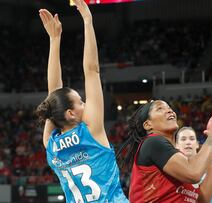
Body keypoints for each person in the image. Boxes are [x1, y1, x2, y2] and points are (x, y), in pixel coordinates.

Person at [35, 0, 128, 202]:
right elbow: (92, 71)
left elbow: (54, 94)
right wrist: (87, 21)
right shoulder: (91, 130)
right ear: (71, 113)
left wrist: (54, 39)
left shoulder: (51, 146)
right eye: (80, 102)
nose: (85, 104)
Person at [118, 96, 212, 202]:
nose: (170, 111)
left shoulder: (178, 162)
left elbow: (202, 201)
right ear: (148, 124)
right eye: (160, 109)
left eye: (169, 108)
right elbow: (194, 173)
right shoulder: (153, 142)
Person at [175, 126, 212, 203]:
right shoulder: (172, 169)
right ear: (176, 145)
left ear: (197, 144)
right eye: (183, 139)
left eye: (192, 139)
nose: (188, 142)